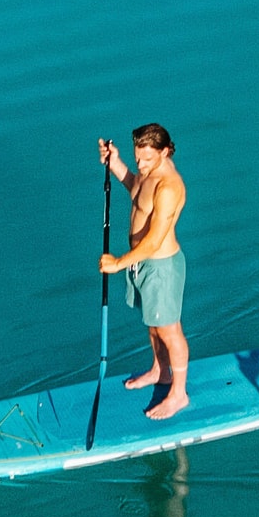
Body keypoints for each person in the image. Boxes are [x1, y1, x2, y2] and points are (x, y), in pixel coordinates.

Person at [97, 124, 189, 421]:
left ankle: (179, 394)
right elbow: (135, 189)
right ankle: (160, 370)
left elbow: (154, 240)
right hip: (140, 264)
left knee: (169, 329)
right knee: (153, 324)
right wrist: (117, 164)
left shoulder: (169, 186)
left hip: (160, 268)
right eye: (139, 159)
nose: (143, 165)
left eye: (148, 160)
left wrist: (119, 263)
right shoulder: (147, 173)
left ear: (165, 151)